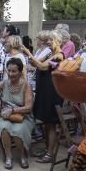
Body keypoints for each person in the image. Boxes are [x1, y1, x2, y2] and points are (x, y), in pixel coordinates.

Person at [0, 58, 35, 170]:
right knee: (4, 128)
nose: (11, 74)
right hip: (6, 117)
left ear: (20, 72)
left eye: (14, 71)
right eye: (9, 71)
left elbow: (29, 107)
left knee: (18, 130)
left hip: (23, 117)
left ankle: (22, 155)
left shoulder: (26, 85)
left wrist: (12, 110)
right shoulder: (5, 83)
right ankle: (8, 156)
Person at [29, 31, 65, 164]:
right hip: (45, 92)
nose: (48, 42)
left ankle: (50, 154)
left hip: (52, 94)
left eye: (51, 40)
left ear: (58, 41)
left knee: (51, 124)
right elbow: (36, 65)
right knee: (46, 123)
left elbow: (42, 66)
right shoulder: (52, 54)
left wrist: (27, 52)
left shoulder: (59, 56)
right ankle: (47, 150)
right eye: (48, 39)